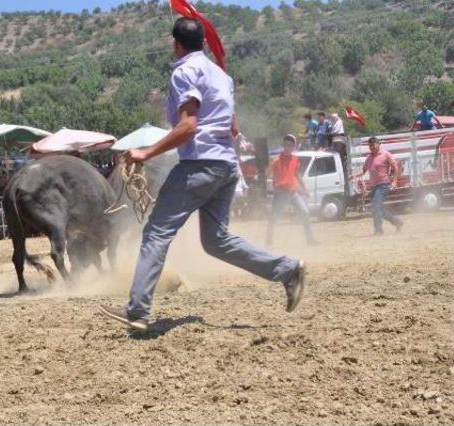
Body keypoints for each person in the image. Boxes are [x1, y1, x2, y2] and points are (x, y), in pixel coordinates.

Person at [99, 17, 306, 332]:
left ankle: (138, 310)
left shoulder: (184, 72)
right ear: (203, 44)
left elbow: (188, 126)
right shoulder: (222, 76)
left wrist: (145, 152)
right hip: (225, 167)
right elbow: (233, 129)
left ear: (176, 44)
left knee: (156, 234)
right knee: (216, 240)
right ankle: (287, 270)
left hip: (199, 165)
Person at [266, 135, 317, 247]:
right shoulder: (276, 160)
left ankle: (310, 240)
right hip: (280, 192)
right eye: (286, 145)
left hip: (293, 192)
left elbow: (297, 175)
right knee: (274, 216)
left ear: (293, 146)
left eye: (291, 145)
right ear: (283, 146)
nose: (288, 147)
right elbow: (267, 173)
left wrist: (304, 189)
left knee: (305, 212)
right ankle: (268, 239)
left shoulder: (295, 159)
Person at [350, 136, 403, 235]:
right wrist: (354, 175)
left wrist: (394, 181)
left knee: (375, 205)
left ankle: (378, 230)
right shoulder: (369, 158)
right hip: (374, 186)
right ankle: (397, 222)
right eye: (370, 146)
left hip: (383, 184)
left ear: (378, 144)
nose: (372, 148)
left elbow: (395, 167)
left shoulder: (386, 154)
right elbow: (364, 170)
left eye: (373, 146)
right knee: (378, 208)